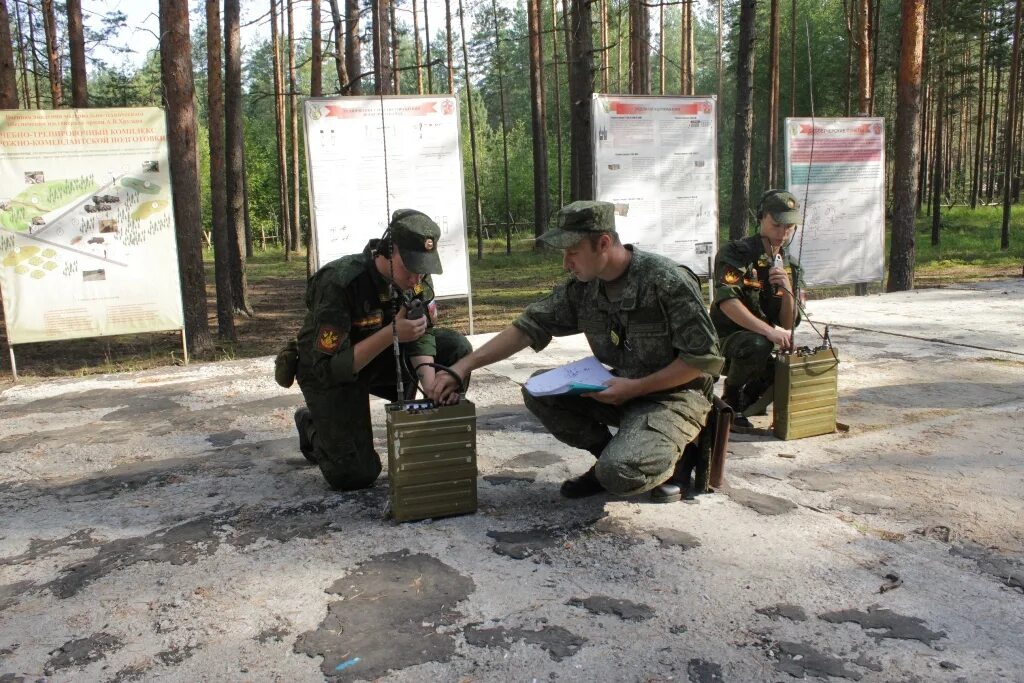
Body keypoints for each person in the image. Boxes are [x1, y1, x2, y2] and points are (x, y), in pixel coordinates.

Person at [430, 200, 723, 502]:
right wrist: (463, 366)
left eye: (572, 251)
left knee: (622, 474)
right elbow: (528, 326)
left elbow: (702, 361)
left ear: (604, 243)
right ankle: (609, 459)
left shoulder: (667, 282)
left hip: (674, 397)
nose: (565, 262)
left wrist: (635, 388)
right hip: (621, 388)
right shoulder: (585, 288)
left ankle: (680, 455)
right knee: (539, 390)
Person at [290, 208, 472, 491]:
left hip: (384, 357)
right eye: (410, 267)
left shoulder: (417, 279)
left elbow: (423, 335)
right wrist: (392, 333)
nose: (416, 278)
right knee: (355, 475)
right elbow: (332, 367)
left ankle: (424, 432)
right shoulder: (340, 281)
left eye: (422, 268)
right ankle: (314, 426)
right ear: (389, 251)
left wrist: (431, 383)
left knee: (456, 350)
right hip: (331, 371)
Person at [711, 189, 803, 428]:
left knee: (786, 371)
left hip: (759, 341)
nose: (783, 233)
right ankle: (731, 398)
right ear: (761, 218)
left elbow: (788, 323)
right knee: (758, 343)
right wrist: (769, 332)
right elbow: (727, 303)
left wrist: (788, 289)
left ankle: (743, 406)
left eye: (790, 227)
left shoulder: (790, 265)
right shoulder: (737, 254)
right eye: (777, 225)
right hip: (725, 339)